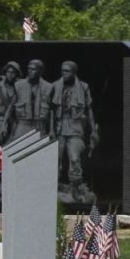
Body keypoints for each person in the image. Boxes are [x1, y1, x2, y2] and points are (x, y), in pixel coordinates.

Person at [51, 60, 98, 201]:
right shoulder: (54, 86)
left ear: (74, 72)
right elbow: (51, 111)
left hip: (76, 126)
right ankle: (52, 187)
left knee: (75, 158)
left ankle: (75, 187)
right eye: (62, 70)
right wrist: (51, 129)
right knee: (55, 159)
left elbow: (88, 109)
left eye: (67, 71)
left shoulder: (83, 87)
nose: (64, 73)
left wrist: (93, 130)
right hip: (59, 127)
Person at [12, 59, 53, 138]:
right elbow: (11, 107)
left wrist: (52, 129)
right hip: (23, 123)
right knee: (17, 147)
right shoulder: (19, 85)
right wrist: (5, 124)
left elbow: (52, 110)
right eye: (28, 69)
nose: (30, 71)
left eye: (33, 69)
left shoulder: (48, 87)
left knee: (39, 149)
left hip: (40, 125)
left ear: (40, 71)